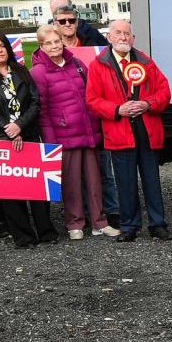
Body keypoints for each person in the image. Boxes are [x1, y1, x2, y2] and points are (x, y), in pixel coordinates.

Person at [85, 20, 172, 242]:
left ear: (133, 38)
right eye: (119, 33)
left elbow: (165, 92)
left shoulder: (146, 62)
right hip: (119, 133)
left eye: (127, 33)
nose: (123, 37)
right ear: (109, 37)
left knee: (152, 181)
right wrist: (117, 109)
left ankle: (157, 224)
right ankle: (129, 226)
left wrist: (148, 104)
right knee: (125, 183)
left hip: (147, 132)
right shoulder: (98, 66)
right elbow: (92, 100)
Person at [31, 25, 120, 241]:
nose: (54, 46)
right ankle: (75, 223)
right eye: (49, 43)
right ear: (41, 46)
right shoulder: (38, 72)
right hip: (63, 136)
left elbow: (90, 95)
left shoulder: (77, 64)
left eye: (57, 41)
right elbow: (42, 112)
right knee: (71, 184)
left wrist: (97, 128)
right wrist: (51, 142)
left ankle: (100, 222)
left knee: (95, 180)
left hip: (87, 131)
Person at [0, 31, 60, 249]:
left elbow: (35, 101)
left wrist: (19, 126)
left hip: (28, 133)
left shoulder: (21, 70)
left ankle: (45, 231)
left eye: (2, 45)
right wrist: (8, 130)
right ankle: (23, 236)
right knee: (10, 192)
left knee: (37, 188)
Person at [52, 0, 117, 228]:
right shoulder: (53, 48)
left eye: (72, 20)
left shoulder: (93, 44)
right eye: (63, 21)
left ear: (77, 22)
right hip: (69, 124)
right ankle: (83, 215)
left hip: (96, 117)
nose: (68, 24)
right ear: (55, 24)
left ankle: (110, 212)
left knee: (104, 170)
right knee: (77, 175)